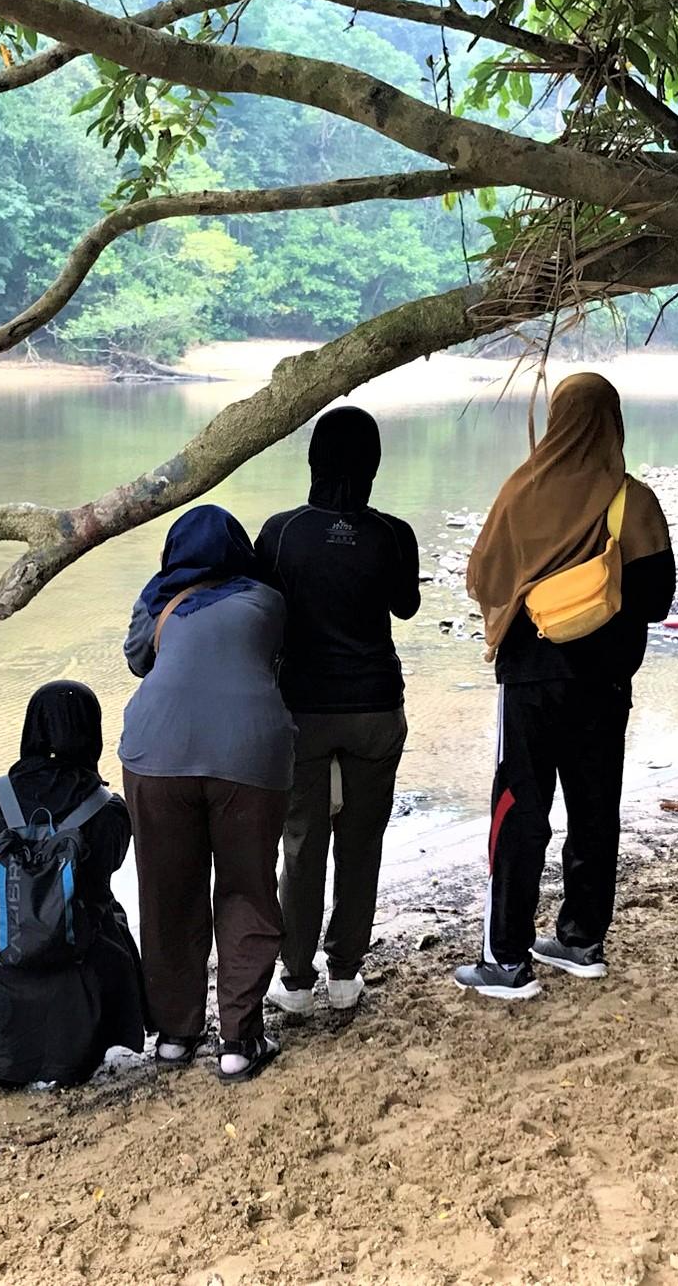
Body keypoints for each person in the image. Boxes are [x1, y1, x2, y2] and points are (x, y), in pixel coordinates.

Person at [454, 373, 675, 1000]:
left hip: (529, 678)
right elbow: (658, 600)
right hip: (603, 683)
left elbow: (482, 578)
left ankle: (507, 958)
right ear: (613, 422)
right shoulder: (632, 500)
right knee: (595, 807)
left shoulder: (521, 491)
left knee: (518, 809)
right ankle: (581, 940)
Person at [119, 505, 296, 1081]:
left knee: (170, 893)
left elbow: (136, 659)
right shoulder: (267, 600)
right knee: (246, 889)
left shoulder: (157, 598)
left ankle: (174, 1035)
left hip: (156, 755)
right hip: (250, 755)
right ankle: (239, 1041)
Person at [256, 407, 421, 1017]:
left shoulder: (280, 533)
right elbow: (405, 608)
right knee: (362, 842)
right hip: (376, 706)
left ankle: (296, 980)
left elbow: (261, 614)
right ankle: (346, 973)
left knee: (301, 842)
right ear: (374, 463)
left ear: (313, 459)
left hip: (301, 710)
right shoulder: (394, 534)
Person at [0, 681, 147, 1085]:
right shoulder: (110, 810)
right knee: (104, 907)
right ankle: (83, 1045)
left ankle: (1, 1053)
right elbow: (105, 873)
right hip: (78, 976)